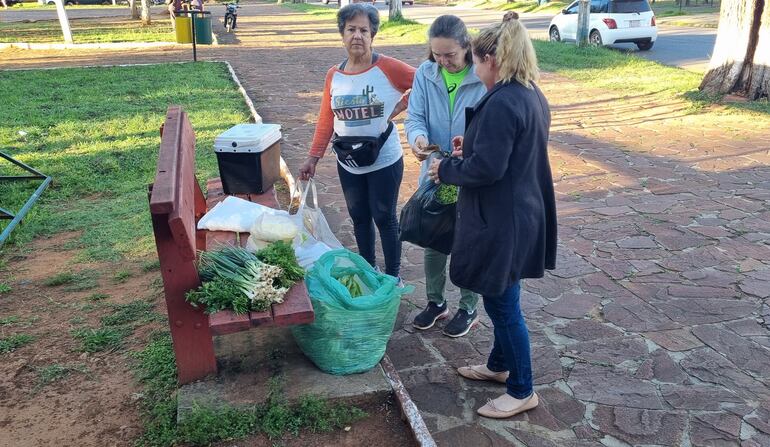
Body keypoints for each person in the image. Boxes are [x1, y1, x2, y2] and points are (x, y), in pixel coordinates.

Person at [427, 11, 557, 419]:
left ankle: (522, 390)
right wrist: (474, 145)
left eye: (477, 62)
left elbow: (488, 170)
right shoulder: (529, 92)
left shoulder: (503, 100)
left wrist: (445, 168)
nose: (474, 69)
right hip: (520, 215)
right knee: (503, 296)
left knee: (503, 307)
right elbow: (509, 152)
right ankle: (500, 368)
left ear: (491, 60)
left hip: (505, 222)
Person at [299, 3, 415, 280]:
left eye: (364, 30)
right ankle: (368, 272)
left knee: (384, 217)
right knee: (359, 218)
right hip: (348, 162)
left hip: (384, 160)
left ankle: (393, 276)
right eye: (351, 29)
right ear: (342, 34)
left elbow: (425, 82)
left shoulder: (388, 67)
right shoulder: (334, 75)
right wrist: (312, 158)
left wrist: (402, 105)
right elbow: (326, 119)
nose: (357, 36)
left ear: (373, 34)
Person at [404, 15, 487, 338]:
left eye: (449, 54)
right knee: (433, 237)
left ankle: (469, 306)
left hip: (469, 173)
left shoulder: (481, 77)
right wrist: (418, 141)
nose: (443, 61)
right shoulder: (426, 74)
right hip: (436, 171)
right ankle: (436, 302)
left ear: (466, 46)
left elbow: (487, 128)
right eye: (437, 54)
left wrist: (469, 154)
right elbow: (415, 118)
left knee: (468, 240)